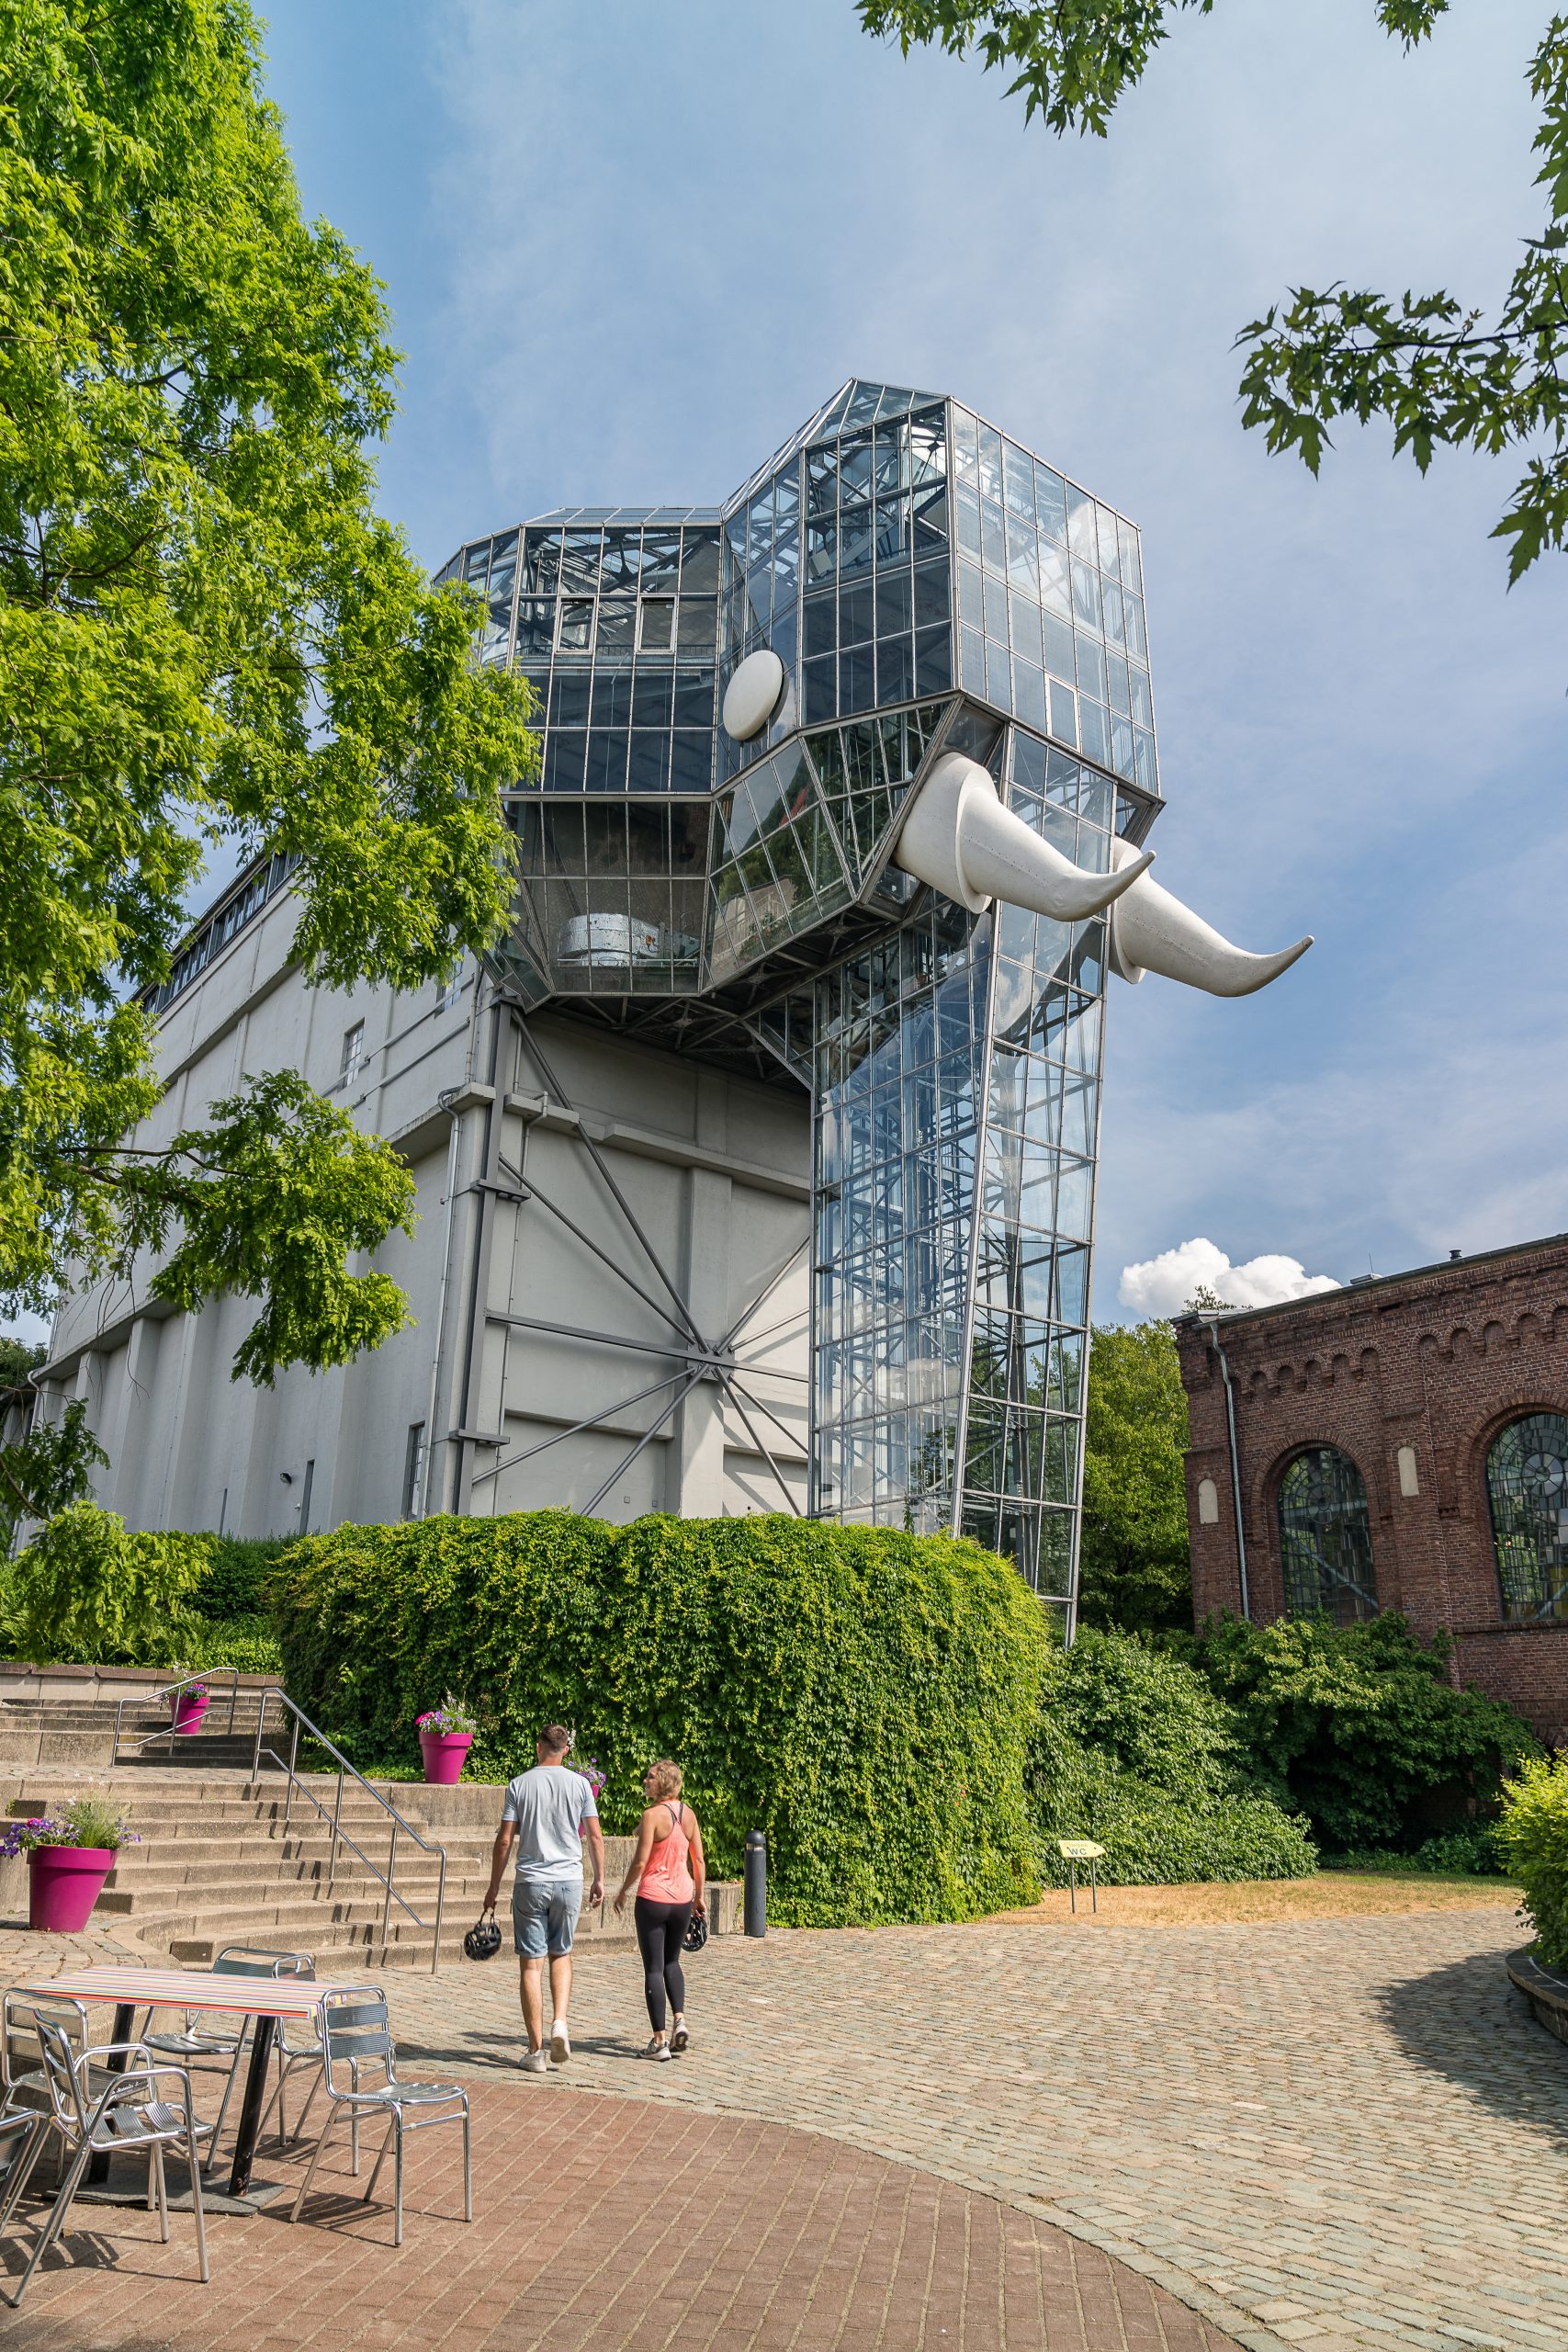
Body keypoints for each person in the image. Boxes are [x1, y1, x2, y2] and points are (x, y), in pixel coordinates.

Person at [483, 1724, 604, 2073]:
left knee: (530, 1965)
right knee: (561, 1954)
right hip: (568, 1881)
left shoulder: (519, 1785)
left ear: (539, 1747)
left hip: (531, 1882)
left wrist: (493, 1887)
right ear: (565, 1749)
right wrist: (599, 1879)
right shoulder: (581, 1784)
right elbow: (595, 1836)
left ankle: (535, 2052)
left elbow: (505, 1841)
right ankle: (560, 2023)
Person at [613, 1759, 705, 2061]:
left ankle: (659, 2040)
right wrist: (699, 1897)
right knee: (672, 1962)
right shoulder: (688, 1815)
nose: (645, 1780)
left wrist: (624, 1890)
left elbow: (640, 1862)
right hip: (682, 1899)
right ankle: (680, 2020)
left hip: (653, 1898)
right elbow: (699, 1861)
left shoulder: (652, 1815)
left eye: (650, 1777)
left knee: (653, 1967)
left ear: (663, 1782)